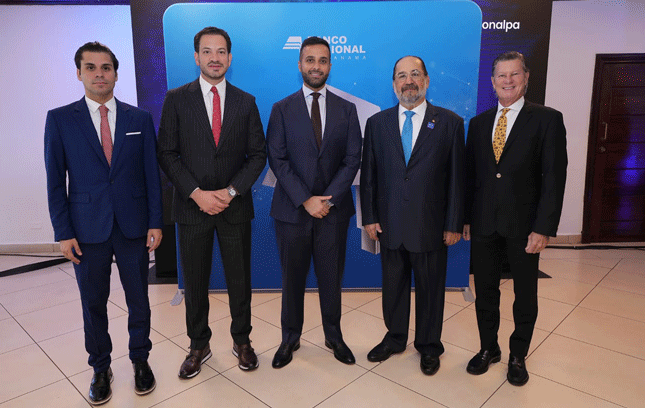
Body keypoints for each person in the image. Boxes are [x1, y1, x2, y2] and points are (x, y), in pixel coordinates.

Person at [44, 42, 162, 405]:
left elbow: (152, 176)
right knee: (92, 302)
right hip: (86, 229)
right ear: (79, 73)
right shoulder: (60, 119)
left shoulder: (139, 119)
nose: (99, 74)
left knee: (139, 298)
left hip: (133, 226)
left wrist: (155, 222)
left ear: (115, 73)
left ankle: (140, 359)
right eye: (91, 68)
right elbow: (55, 181)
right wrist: (63, 232)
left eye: (106, 68)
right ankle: (100, 367)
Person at [157, 27, 266, 377]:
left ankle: (242, 341)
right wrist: (197, 194)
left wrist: (231, 192)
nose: (214, 58)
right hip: (192, 208)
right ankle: (198, 345)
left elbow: (258, 155)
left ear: (230, 58)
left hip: (235, 208)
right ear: (196, 57)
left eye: (221, 52)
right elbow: (167, 153)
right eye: (207, 51)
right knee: (195, 282)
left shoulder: (246, 102)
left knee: (240, 281)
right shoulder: (176, 99)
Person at [463, 51, 567, 386]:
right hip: (483, 223)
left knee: (525, 295)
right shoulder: (478, 124)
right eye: (501, 76)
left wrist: (543, 227)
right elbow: (471, 176)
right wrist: (466, 218)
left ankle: (518, 354)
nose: (508, 81)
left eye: (514, 74)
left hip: (525, 227)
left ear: (526, 77)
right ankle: (488, 348)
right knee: (485, 291)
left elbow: (554, 178)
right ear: (492, 82)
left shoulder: (547, 119)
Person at [360, 56, 464, 375]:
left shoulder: (449, 122)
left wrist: (453, 223)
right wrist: (369, 217)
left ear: (426, 81)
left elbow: (457, 178)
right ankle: (395, 338)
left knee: (431, 290)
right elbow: (369, 176)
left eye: (415, 74)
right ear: (394, 84)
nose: (409, 81)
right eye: (402, 76)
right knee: (393, 287)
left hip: (431, 225)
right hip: (389, 223)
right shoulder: (377, 123)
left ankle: (429, 345)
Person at [266, 36, 362, 368]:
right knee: (291, 279)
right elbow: (277, 159)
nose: (316, 66)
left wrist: (327, 201)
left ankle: (334, 336)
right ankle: (289, 338)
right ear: (300, 65)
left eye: (322, 60)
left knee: (331, 279)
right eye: (310, 60)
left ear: (330, 65)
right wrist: (306, 200)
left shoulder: (347, 110)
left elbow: (352, 159)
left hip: (333, 213)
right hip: (292, 211)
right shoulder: (281, 109)